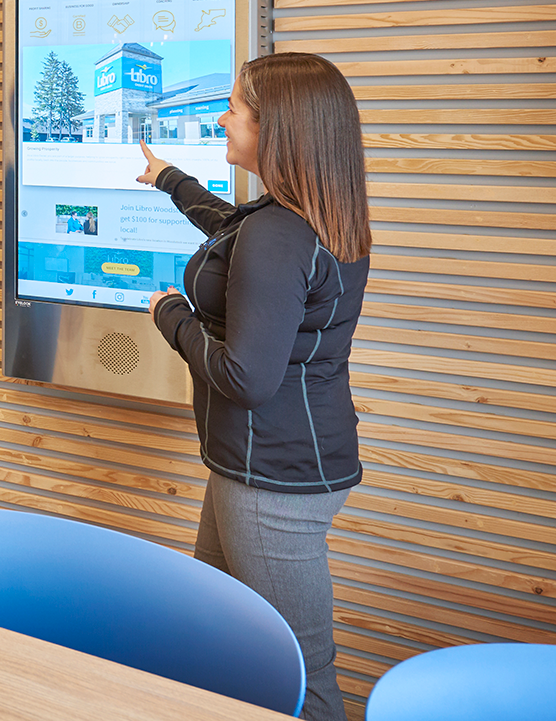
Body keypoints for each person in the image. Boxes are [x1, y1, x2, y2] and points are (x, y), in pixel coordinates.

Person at [135, 52, 370, 721]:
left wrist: (169, 316)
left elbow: (245, 377)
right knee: (217, 630)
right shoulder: (312, 212)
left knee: (299, 668)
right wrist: (170, 180)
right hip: (274, 464)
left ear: (279, 129)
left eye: (234, 108)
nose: (221, 116)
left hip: (272, 477)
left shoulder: (277, 233)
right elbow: (231, 234)